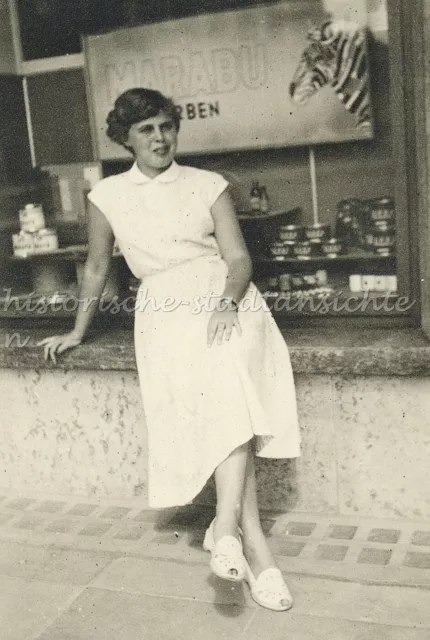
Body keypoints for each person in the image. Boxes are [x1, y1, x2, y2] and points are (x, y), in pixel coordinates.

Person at [38, 88, 301, 612]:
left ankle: (228, 531)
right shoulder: (107, 196)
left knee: (229, 378)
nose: (159, 138)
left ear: (175, 130)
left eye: (165, 127)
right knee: (234, 402)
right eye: (145, 130)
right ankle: (249, 542)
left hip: (227, 300)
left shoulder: (208, 185)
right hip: (164, 310)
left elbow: (238, 257)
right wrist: (76, 331)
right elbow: (95, 268)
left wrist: (227, 302)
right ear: (126, 139)